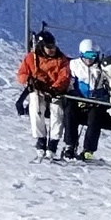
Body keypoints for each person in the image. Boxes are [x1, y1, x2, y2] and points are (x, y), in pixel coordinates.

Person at [15, 26, 74, 158]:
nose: (52, 50)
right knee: (35, 104)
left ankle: (53, 142)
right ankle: (40, 138)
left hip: (55, 92)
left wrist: (55, 88)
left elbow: (64, 77)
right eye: (49, 47)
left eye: (53, 47)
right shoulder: (32, 58)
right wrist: (29, 80)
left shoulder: (61, 60)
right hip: (39, 90)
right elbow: (22, 74)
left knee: (57, 111)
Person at [65, 38, 109, 162]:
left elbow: (109, 88)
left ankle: (88, 150)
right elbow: (68, 83)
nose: (89, 59)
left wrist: (102, 97)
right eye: (86, 55)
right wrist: (75, 96)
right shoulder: (74, 65)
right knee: (69, 112)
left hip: (95, 103)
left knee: (95, 117)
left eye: (92, 55)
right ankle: (70, 145)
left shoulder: (102, 69)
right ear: (81, 54)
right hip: (79, 100)